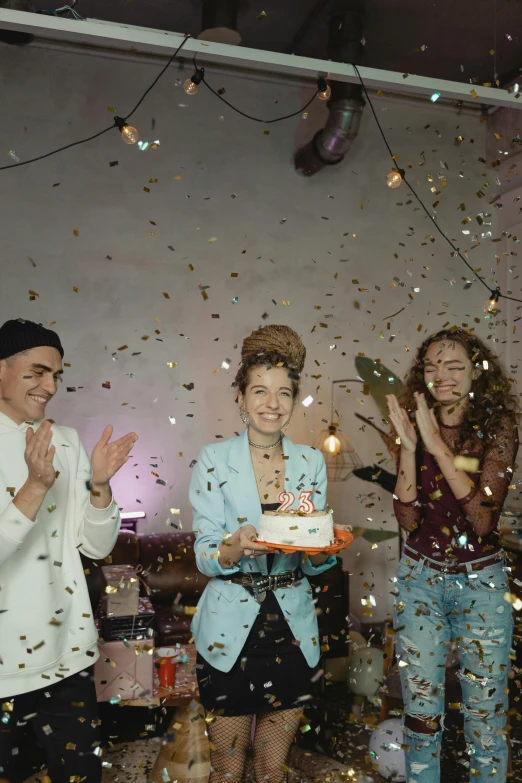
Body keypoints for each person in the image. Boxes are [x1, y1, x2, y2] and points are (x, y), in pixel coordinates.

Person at [189, 324, 336, 783]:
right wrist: (231, 547)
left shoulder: (311, 461)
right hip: (229, 633)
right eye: (260, 391)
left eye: (283, 393)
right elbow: (203, 553)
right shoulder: (213, 460)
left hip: (292, 632)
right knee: (229, 770)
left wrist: (322, 549)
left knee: (273, 770)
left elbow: (318, 557)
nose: (272, 403)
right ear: (240, 397)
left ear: (294, 400)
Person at [0, 318, 138, 783]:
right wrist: (35, 487)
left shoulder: (66, 440)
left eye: (56, 375)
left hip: (69, 656)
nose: (50, 386)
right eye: (37, 372)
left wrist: (100, 486)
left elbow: (96, 545)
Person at [386, 327, 519, 783]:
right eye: (431, 367)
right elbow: (408, 519)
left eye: (454, 366)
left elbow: (482, 519)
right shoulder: (416, 421)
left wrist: (435, 444)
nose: (440, 376)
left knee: (485, 722)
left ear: (477, 373)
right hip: (420, 577)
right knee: (421, 719)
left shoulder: (499, 426)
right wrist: (408, 446)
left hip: (481, 584)